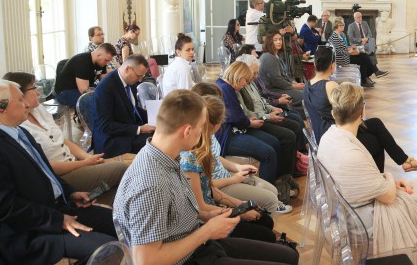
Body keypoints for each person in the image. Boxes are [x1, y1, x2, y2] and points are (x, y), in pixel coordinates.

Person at [113, 89, 299, 265]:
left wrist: (210, 215)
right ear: (187, 131)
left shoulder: (165, 156)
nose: (205, 132)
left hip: (199, 244)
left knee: (289, 256)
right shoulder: (151, 183)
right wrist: (207, 231)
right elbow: (147, 261)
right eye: (202, 126)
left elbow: (178, 213)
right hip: (190, 257)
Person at [0, 80, 116, 265]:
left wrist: (71, 193)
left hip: (53, 210)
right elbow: (3, 208)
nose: (26, 104)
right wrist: (58, 220)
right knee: (107, 249)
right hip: (24, 233)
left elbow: (46, 173)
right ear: (1, 107)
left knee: (120, 223)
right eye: (20, 100)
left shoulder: (19, 133)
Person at [318, 82, 417, 262]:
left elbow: (361, 182)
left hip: (348, 212)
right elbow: (388, 197)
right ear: (362, 112)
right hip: (363, 222)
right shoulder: (351, 153)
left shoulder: (328, 138)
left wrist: (390, 184)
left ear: (334, 113)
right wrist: (389, 178)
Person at [3, 72, 127, 205]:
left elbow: (63, 140)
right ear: (20, 94)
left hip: (74, 164)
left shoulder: (39, 110)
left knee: (113, 188)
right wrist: (85, 163)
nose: (38, 92)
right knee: (120, 169)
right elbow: (44, 167)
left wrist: (87, 157)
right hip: (58, 176)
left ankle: (91, 205)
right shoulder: (18, 126)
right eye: (34, 88)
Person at [304, 46, 417, 173]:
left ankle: (404, 161)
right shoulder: (330, 85)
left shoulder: (307, 86)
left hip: (321, 135)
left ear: (314, 63)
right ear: (332, 65)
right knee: (377, 141)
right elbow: (344, 113)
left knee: (376, 123)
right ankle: (381, 180)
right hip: (336, 137)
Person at [180, 97, 278, 244]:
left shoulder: (204, 148)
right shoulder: (190, 159)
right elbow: (201, 209)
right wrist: (239, 212)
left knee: (265, 221)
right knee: (266, 232)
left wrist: (242, 206)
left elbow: (211, 190)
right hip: (206, 223)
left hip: (214, 206)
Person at [191, 82, 292, 214]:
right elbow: (206, 185)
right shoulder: (195, 145)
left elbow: (215, 156)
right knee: (270, 198)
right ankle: (266, 219)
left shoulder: (208, 133)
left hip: (226, 177)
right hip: (221, 185)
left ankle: (264, 213)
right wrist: (234, 179)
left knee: (272, 190)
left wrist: (237, 168)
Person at [216, 62, 280, 184]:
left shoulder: (225, 86)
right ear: (239, 77)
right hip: (229, 136)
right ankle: (269, 191)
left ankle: (276, 181)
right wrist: (251, 123)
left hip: (237, 129)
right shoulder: (226, 89)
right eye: (246, 80)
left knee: (274, 142)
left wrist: (249, 121)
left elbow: (238, 116)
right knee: (268, 153)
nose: (246, 84)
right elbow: (237, 119)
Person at [237, 57, 301, 175]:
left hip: (265, 115)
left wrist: (272, 108)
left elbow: (262, 99)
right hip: (259, 120)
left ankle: (292, 166)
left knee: (295, 122)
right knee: (289, 135)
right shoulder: (241, 86)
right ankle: (285, 175)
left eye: (257, 72)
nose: (256, 76)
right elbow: (247, 113)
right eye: (254, 73)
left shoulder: (251, 82)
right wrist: (268, 116)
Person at [93, 54, 155, 158]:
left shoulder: (130, 81)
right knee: (155, 142)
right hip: (111, 139)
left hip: (127, 128)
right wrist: (140, 129)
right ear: (127, 69)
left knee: (162, 134)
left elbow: (133, 108)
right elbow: (106, 126)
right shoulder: (105, 88)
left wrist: (155, 117)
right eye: (138, 76)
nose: (140, 80)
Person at [54, 43, 117, 107]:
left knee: (111, 95)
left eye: (109, 61)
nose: (107, 63)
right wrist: (102, 93)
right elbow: (84, 90)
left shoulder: (101, 62)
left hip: (84, 87)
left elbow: (102, 78)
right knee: (95, 102)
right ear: (99, 55)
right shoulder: (82, 62)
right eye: (106, 60)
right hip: (65, 92)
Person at [329, 17, 382, 88]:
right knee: (363, 59)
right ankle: (372, 73)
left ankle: (369, 76)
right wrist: (350, 51)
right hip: (342, 59)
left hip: (345, 56)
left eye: (343, 25)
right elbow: (338, 51)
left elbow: (342, 48)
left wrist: (350, 48)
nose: (343, 27)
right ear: (335, 26)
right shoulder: (335, 37)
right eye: (340, 25)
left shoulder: (339, 35)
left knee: (364, 55)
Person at [258, 30, 305, 103]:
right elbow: (277, 81)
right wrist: (294, 86)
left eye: (280, 39)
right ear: (269, 42)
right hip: (272, 90)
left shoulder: (276, 56)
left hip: (279, 87)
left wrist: (293, 82)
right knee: (305, 96)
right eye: (275, 40)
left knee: (306, 91)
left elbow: (283, 75)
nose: (279, 42)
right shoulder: (268, 57)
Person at [347, 11, 388, 77]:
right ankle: (376, 71)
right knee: (370, 54)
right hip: (357, 45)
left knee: (372, 43)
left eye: (361, 17)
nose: (360, 18)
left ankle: (374, 71)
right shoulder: (351, 26)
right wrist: (361, 40)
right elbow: (351, 39)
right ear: (355, 18)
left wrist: (366, 39)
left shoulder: (365, 23)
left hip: (366, 43)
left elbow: (369, 34)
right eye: (358, 17)